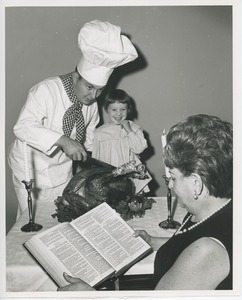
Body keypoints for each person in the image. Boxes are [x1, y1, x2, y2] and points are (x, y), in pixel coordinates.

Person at [58, 114, 232, 291]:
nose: (170, 185)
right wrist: (152, 241)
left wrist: (91, 294)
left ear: (196, 183)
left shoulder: (207, 252)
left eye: (172, 177)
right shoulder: (213, 208)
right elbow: (187, 242)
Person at [8, 20, 138, 217]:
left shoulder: (92, 106)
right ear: (76, 77)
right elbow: (22, 127)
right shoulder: (46, 90)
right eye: (89, 87)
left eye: (100, 90)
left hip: (62, 172)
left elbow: (90, 143)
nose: (94, 96)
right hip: (31, 171)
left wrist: (120, 159)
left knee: (60, 217)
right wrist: (63, 140)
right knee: (31, 221)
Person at [92, 88, 151, 193]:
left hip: (131, 175)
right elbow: (96, 158)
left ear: (128, 109)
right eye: (114, 110)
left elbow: (139, 149)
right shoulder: (99, 133)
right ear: (106, 110)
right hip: (110, 176)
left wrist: (129, 130)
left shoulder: (134, 128)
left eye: (123, 109)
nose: (118, 114)